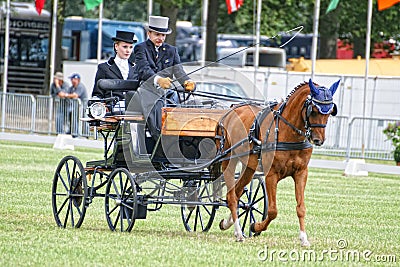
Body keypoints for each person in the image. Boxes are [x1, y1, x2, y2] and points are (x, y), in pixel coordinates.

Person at [133, 15, 196, 139]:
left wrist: (187, 82)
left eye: (163, 35)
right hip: (147, 91)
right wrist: (158, 80)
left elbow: (179, 71)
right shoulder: (141, 48)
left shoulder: (171, 50)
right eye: (157, 34)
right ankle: (159, 135)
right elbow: (144, 69)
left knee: (180, 103)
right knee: (158, 105)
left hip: (167, 93)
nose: (160, 38)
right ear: (149, 33)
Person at [92, 30, 137, 99]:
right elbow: (97, 94)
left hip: (132, 108)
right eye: (125, 47)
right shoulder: (104, 68)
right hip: (111, 107)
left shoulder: (136, 69)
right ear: (116, 46)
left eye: (131, 47)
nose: (128, 50)